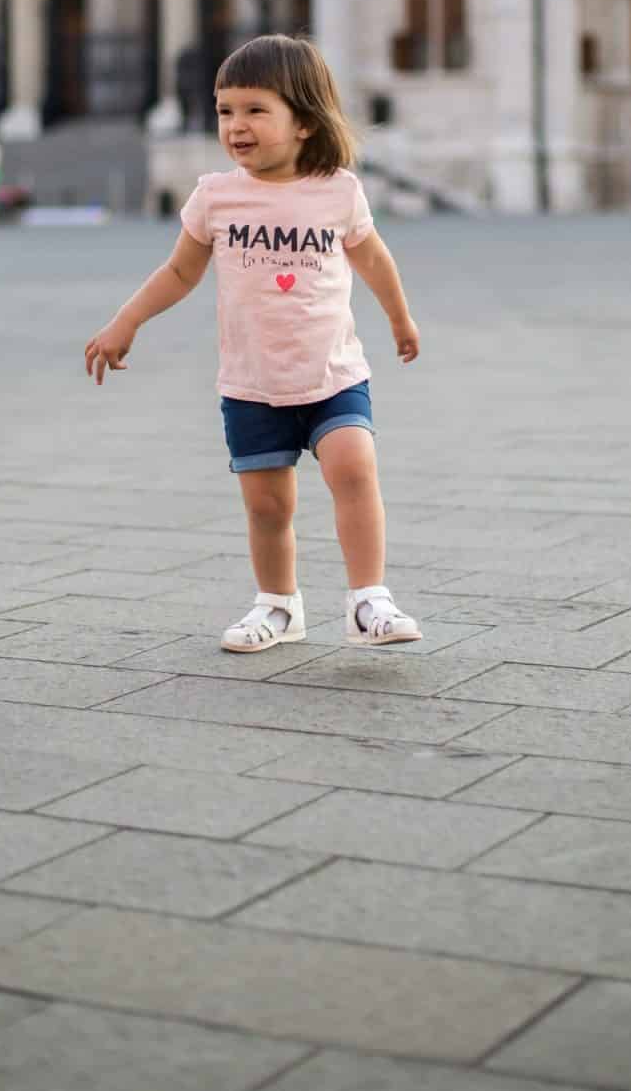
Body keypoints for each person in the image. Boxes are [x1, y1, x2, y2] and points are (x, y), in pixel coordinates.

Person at [85, 33, 424, 653]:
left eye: (255, 110)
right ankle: (278, 606)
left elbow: (374, 259)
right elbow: (180, 272)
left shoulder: (338, 190)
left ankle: (368, 599)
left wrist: (400, 320)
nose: (236, 126)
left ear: (303, 120)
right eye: (224, 111)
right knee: (268, 507)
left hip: (334, 374)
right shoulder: (215, 196)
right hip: (252, 384)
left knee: (354, 468)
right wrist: (126, 321)